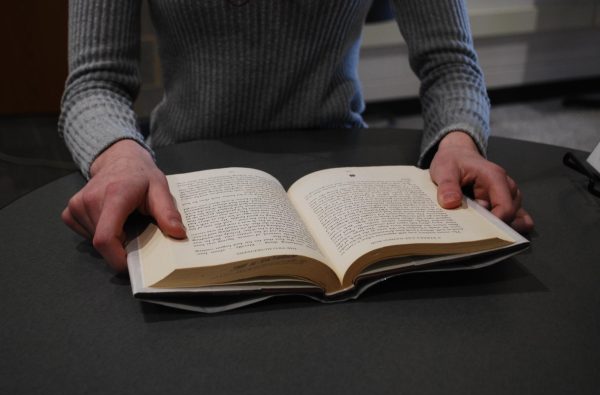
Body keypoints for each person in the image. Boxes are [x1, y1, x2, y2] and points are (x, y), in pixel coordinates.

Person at [59, 0, 534, 271]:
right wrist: (118, 156)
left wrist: (458, 140)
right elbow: (94, 82)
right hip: (180, 184)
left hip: (348, 183)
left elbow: (450, 64)